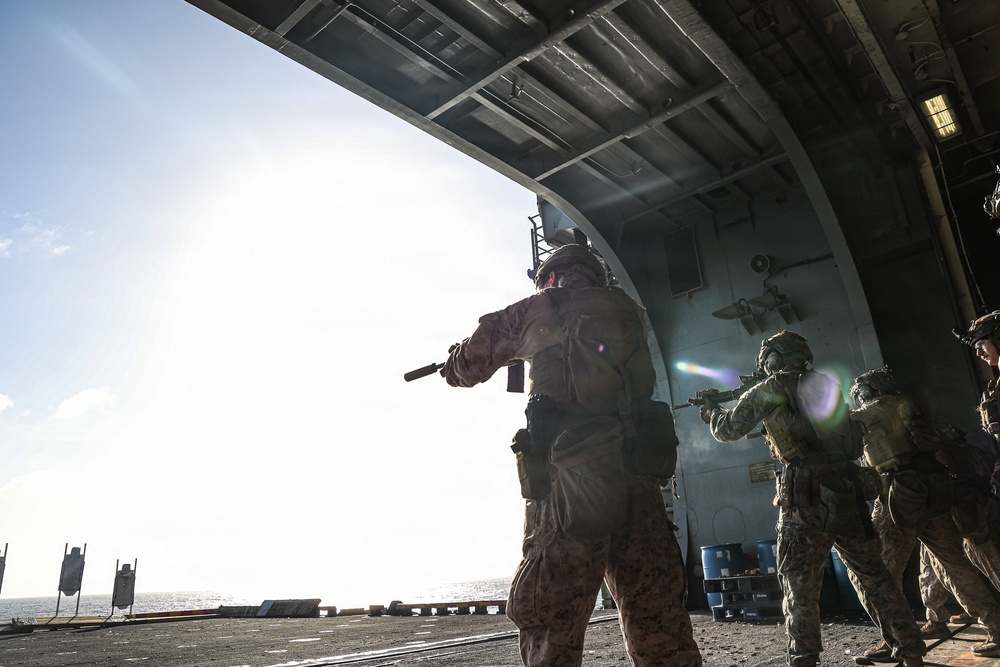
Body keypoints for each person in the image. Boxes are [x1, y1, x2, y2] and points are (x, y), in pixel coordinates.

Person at [442, 243, 701, 667]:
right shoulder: (628, 309)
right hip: (637, 478)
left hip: (569, 483)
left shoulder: (538, 307)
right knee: (659, 618)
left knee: (551, 619)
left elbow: (469, 366)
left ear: (551, 277)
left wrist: (451, 362)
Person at [698, 331, 925, 667]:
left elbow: (729, 429)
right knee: (874, 576)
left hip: (803, 494)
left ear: (773, 359)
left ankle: (804, 659)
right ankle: (911, 651)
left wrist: (711, 412)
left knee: (799, 586)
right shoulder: (828, 386)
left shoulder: (771, 388)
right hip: (846, 487)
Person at [848, 366, 1000, 658]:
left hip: (898, 492)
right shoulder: (908, 407)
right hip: (934, 490)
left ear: (868, 391)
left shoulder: (872, 411)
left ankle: (897, 641)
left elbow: (841, 433)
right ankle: (996, 627)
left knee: (880, 573)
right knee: (955, 564)